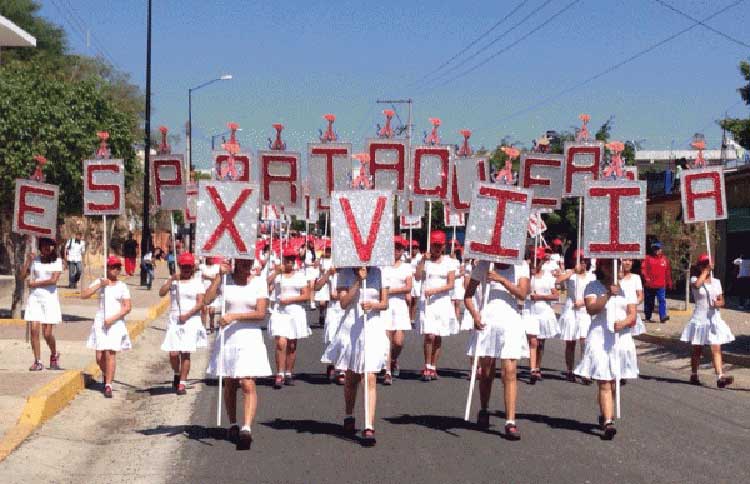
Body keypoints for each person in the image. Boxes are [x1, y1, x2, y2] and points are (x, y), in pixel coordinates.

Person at [205, 258, 271, 450]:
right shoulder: (226, 281)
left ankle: (246, 428)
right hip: (228, 338)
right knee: (231, 382)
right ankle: (233, 423)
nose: (246, 266)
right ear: (235, 262)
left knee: (246, 381)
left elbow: (260, 313)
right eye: (243, 262)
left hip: (249, 337)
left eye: (249, 262)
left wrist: (234, 316)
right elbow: (207, 300)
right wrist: (219, 276)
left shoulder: (258, 282)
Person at [321, 266, 389, 446]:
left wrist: (373, 305)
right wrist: (358, 281)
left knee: (370, 376)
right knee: (351, 377)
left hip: (372, 327)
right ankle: (349, 414)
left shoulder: (379, 272)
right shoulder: (345, 274)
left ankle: (369, 425)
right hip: (351, 328)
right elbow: (343, 303)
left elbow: (385, 303)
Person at [464, 258, 530, 440]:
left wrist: (500, 279)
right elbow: (467, 296)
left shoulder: (521, 266)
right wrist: (475, 315)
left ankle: (510, 421)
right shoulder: (483, 265)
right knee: (486, 371)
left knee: (510, 371)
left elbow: (522, 294)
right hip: (488, 322)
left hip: (511, 322)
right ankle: (484, 409)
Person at [574, 258, 638, 440]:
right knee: (604, 381)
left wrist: (624, 322)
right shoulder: (592, 286)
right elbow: (591, 309)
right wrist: (608, 294)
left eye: (618, 263)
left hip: (620, 338)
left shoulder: (628, 287)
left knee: (614, 383)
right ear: (603, 267)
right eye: (611, 264)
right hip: (599, 338)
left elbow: (632, 312)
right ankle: (608, 422)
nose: (617, 267)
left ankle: (605, 413)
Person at [680, 254, 735, 388]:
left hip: (713, 319)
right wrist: (705, 272)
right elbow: (698, 285)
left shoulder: (716, 282)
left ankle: (720, 377)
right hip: (700, 319)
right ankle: (694, 373)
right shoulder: (694, 279)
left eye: (707, 263)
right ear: (699, 266)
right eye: (703, 264)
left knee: (716, 348)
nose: (706, 266)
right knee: (697, 349)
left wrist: (718, 303)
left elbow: (722, 300)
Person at [82, 256, 132, 398]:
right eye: (112, 267)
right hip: (100, 321)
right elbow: (84, 295)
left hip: (115, 322)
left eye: (118, 267)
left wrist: (113, 319)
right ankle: (107, 373)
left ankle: (108, 384)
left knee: (110, 353)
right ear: (107, 268)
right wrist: (99, 285)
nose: (115, 269)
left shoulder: (122, 286)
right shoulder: (101, 282)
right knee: (99, 357)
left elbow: (127, 307)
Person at [159, 252, 207, 395]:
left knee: (185, 353)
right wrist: (171, 279)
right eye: (184, 266)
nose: (186, 269)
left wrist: (188, 315)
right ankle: (177, 372)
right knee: (173, 353)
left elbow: (200, 303)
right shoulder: (174, 280)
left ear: (193, 268)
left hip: (190, 319)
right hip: (175, 319)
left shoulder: (197, 282)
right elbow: (161, 293)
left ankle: (182, 383)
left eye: (189, 267)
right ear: (180, 266)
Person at [415, 231, 457, 381]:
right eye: (435, 245)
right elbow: (418, 277)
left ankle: (433, 366)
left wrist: (435, 290)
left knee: (438, 335)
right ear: (430, 245)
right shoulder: (425, 261)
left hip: (442, 301)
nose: (437, 249)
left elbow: (451, 284)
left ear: (444, 246)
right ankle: (426, 365)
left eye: (440, 246)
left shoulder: (449, 262)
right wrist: (422, 262)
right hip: (428, 303)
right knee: (429, 335)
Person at [268, 246, 311, 388]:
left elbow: (306, 295)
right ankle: (279, 374)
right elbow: (264, 285)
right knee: (281, 343)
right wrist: (275, 273)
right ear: (283, 259)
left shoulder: (300, 275)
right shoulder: (278, 275)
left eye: (293, 259)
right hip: (279, 312)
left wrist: (291, 300)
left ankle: (288, 372)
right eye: (288, 259)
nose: (290, 262)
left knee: (292, 345)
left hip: (295, 312)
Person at [22, 238, 63, 371]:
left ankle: (54, 354)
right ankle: (38, 361)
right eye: (45, 245)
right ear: (40, 247)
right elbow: (22, 276)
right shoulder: (35, 260)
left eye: (50, 246)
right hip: (35, 298)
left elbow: (53, 280)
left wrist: (35, 283)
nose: (47, 248)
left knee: (47, 333)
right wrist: (28, 261)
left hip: (49, 299)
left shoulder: (57, 261)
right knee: (34, 330)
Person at [557, 251, 596, 383]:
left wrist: (584, 302)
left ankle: (585, 371)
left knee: (584, 341)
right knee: (570, 342)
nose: (583, 262)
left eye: (585, 260)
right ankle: (569, 370)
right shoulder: (571, 274)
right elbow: (558, 281)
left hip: (585, 311)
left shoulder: (591, 277)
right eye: (580, 260)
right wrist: (573, 270)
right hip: (570, 310)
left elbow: (595, 295)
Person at [382, 236, 413, 385]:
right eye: (394, 247)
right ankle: (387, 372)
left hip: (400, 305)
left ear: (403, 251)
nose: (396, 251)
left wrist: (390, 291)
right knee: (386, 339)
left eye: (399, 248)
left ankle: (393, 359)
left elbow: (408, 287)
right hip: (385, 305)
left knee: (398, 342)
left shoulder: (406, 267)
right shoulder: (382, 266)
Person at [526, 249, 560, 382]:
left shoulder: (548, 276)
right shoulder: (526, 275)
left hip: (544, 312)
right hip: (530, 311)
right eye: (533, 259)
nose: (536, 263)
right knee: (533, 341)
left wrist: (540, 296)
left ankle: (538, 366)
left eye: (538, 260)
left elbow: (556, 295)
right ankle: (532, 369)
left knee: (540, 343)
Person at [641, 242, 673, 323]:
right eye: (655, 249)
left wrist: (669, 282)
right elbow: (643, 269)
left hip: (661, 285)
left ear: (661, 249)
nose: (656, 250)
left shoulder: (665, 259)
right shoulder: (647, 258)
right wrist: (646, 278)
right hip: (649, 285)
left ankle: (663, 317)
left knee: (662, 300)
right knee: (649, 301)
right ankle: (648, 317)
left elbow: (667, 272)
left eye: (658, 248)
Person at [619, 259, 646, 335]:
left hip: (631, 312)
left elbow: (640, 296)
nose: (627, 263)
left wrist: (633, 304)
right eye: (625, 260)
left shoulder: (636, 278)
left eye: (630, 261)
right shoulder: (615, 278)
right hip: (618, 311)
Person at [200, 256, 223, 334]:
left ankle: (212, 325)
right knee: (204, 311)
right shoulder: (202, 266)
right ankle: (203, 328)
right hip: (204, 291)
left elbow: (218, 278)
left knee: (212, 312)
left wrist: (208, 277)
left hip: (214, 292)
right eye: (210, 257)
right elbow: (202, 276)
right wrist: (213, 278)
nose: (211, 259)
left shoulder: (217, 267)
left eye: (212, 257)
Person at [314, 243, 334, 327]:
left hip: (331, 281)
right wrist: (319, 260)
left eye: (330, 250)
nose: (328, 252)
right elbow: (316, 266)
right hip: (323, 281)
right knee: (322, 302)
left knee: (329, 300)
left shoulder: (333, 259)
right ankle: (322, 314)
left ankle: (328, 315)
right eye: (327, 250)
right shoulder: (321, 259)